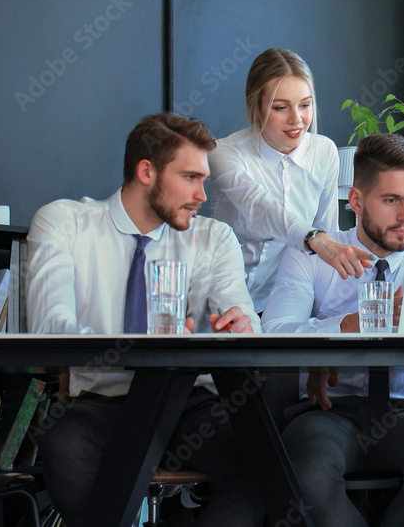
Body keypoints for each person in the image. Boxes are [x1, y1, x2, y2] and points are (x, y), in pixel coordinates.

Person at [28, 113, 263, 527]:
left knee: (262, 458)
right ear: (146, 171)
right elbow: (50, 326)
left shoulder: (213, 237)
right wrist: (137, 346)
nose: (202, 195)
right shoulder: (65, 223)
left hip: (187, 403)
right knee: (62, 444)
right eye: (191, 177)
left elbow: (244, 320)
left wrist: (237, 327)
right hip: (103, 404)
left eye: (203, 180)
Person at [261, 133, 404, 527]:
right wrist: (350, 324)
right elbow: (275, 335)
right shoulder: (310, 258)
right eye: (391, 200)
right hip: (328, 411)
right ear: (356, 201)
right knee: (306, 478)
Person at [208, 48, 374, 313]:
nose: (297, 120)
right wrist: (314, 239)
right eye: (281, 107)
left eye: (305, 105)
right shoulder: (224, 153)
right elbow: (261, 208)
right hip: (225, 301)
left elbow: (327, 232)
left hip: (290, 301)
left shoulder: (324, 151)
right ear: (256, 107)